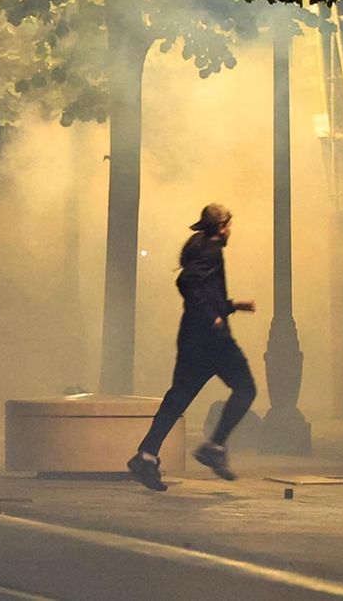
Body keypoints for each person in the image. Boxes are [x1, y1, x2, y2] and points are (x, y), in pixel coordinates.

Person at [127, 204, 257, 491]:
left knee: (179, 397)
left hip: (193, 336)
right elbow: (187, 283)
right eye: (228, 227)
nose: (229, 232)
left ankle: (146, 455)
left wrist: (233, 306)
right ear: (222, 228)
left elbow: (202, 292)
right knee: (246, 388)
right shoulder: (211, 249)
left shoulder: (198, 246)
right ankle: (215, 445)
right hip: (212, 340)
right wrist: (214, 318)